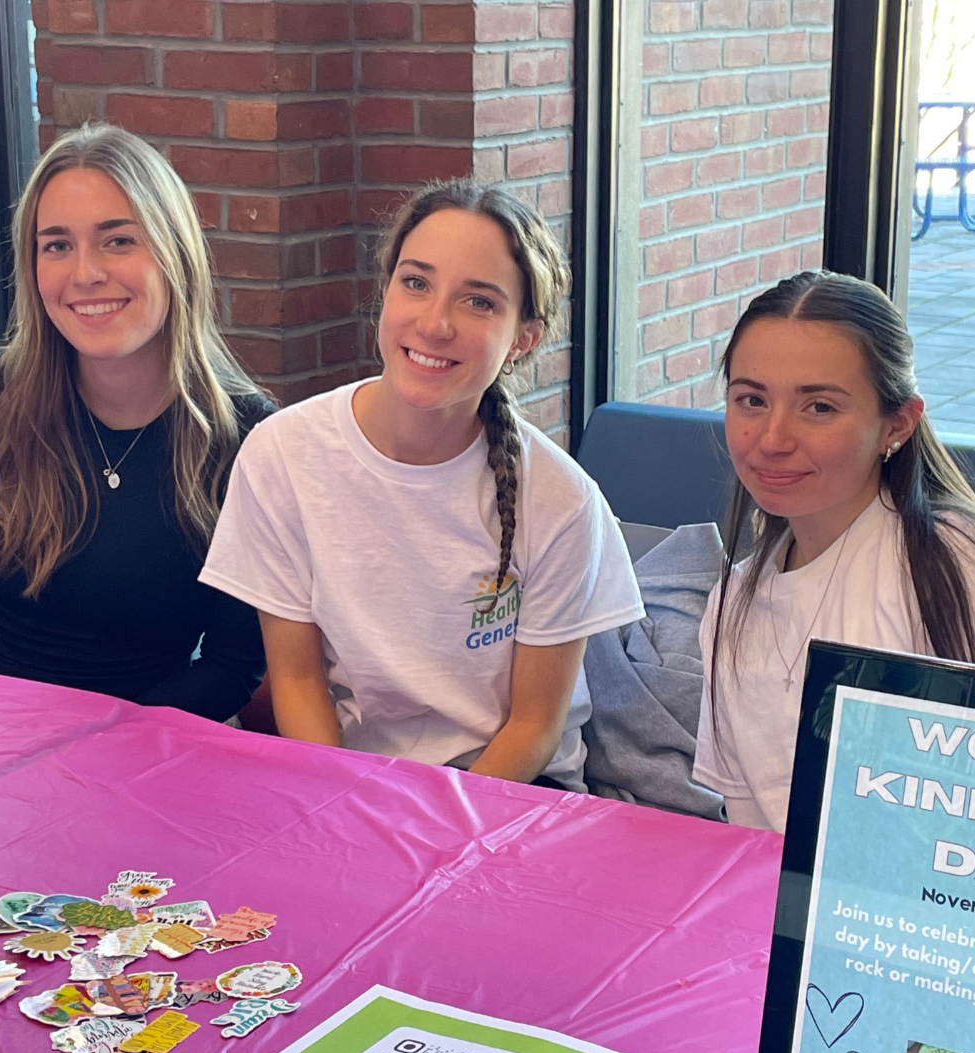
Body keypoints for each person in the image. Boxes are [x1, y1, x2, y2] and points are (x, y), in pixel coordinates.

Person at [200, 180, 643, 789]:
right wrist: (349, 806)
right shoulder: (283, 454)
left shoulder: (562, 500)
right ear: (385, 293)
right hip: (350, 779)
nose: (435, 324)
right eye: (416, 283)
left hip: (509, 791)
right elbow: (298, 683)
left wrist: (437, 836)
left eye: (479, 302)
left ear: (523, 339)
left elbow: (535, 728)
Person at [0, 123, 275, 719]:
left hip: (128, 749)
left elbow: (232, 666)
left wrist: (97, 748)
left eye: (117, 241)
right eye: (56, 245)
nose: (85, 273)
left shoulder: (249, 438)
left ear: (174, 252)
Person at [693, 270, 975, 832]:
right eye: (751, 399)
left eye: (819, 407)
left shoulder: (957, 563)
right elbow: (753, 832)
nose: (773, 440)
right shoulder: (732, 602)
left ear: (895, 425)